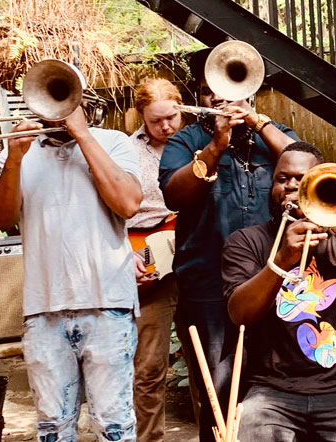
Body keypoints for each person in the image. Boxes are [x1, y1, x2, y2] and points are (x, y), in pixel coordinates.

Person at [223, 142, 336, 442]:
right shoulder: (247, 241)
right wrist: (280, 262)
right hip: (271, 388)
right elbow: (240, 314)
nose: (290, 186)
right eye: (282, 178)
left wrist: (335, 220)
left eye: (301, 180)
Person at [159, 65, 298, 442]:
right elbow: (175, 195)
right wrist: (216, 146)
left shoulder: (274, 133)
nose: (218, 98)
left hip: (278, 281)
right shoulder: (184, 141)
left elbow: (306, 167)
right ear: (198, 98)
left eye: (229, 88)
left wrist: (256, 123)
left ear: (250, 90)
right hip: (208, 289)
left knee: (285, 389)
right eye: (208, 92)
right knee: (221, 397)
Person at [0, 101, 144, 442]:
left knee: (114, 425)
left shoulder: (114, 140)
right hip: (42, 309)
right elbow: (2, 219)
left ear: (82, 101)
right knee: (52, 429)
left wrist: (83, 136)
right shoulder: (20, 149)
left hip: (109, 305)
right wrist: (14, 158)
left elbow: (129, 204)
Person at [127, 78, 186, 442]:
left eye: (172, 117)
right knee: (149, 367)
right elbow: (109, 208)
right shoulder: (125, 151)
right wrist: (124, 252)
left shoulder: (199, 144)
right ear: (140, 117)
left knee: (209, 358)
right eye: (155, 121)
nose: (166, 126)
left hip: (194, 256)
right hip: (148, 258)